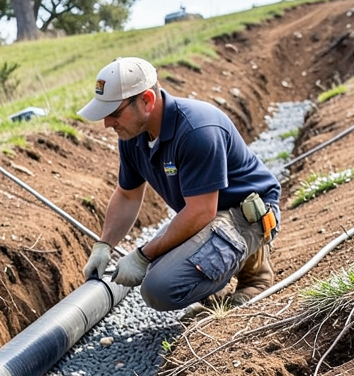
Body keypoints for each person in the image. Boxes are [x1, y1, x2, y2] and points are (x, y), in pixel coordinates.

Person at [78, 57, 280, 313]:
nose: (107, 124)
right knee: (160, 266)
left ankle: (255, 275)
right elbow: (128, 195)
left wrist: (142, 256)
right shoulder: (132, 135)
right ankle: (220, 279)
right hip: (209, 215)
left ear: (147, 101)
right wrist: (104, 245)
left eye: (115, 113)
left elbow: (201, 211)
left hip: (249, 213)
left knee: (160, 288)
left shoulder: (197, 129)